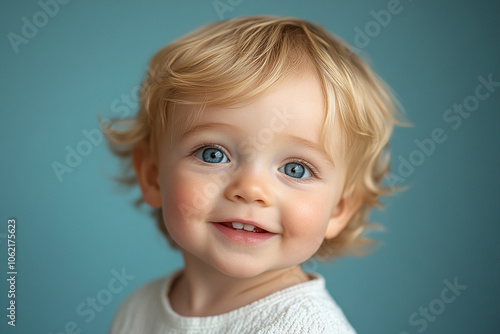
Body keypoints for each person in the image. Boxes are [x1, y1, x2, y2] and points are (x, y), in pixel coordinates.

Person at [105, 15, 401, 333]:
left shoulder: (306, 328)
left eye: (295, 170)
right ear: (152, 176)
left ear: (340, 207)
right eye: (213, 154)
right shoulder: (138, 309)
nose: (250, 188)